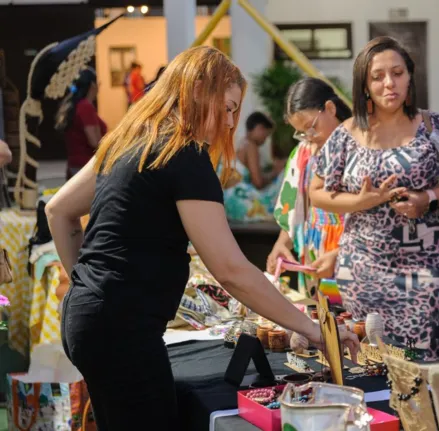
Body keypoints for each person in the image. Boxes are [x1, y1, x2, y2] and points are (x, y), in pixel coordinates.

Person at [45, 46, 359, 431]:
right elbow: (230, 270)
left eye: (235, 111)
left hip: (88, 319)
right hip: (122, 331)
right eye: (227, 108)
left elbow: (57, 211)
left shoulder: (128, 140)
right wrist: (312, 330)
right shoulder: (185, 155)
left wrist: (88, 284)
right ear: (196, 89)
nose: (230, 122)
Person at [310, 36, 439, 360]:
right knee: (370, 366)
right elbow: (316, 193)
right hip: (362, 273)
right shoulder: (347, 132)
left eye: (397, 73)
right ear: (364, 85)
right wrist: (359, 202)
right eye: (377, 76)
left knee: (427, 372)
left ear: (410, 76)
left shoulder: (431, 125)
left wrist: (428, 198)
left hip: (425, 274)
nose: (389, 83)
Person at [267, 78, 351, 297]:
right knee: (319, 322)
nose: (308, 137)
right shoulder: (303, 153)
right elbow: (293, 206)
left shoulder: (360, 148)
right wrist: (281, 243)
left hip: (352, 252)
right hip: (313, 254)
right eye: (300, 132)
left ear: (330, 109)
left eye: (310, 128)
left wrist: (342, 252)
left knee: (351, 324)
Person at [222, 112, 285, 222]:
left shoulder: (242, 143)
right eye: (266, 135)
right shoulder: (251, 145)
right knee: (282, 178)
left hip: (227, 199)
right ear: (260, 128)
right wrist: (275, 173)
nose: (265, 140)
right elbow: (258, 182)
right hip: (238, 200)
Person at [54, 68, 105, 179]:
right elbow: (94, 141)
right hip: (86, 166)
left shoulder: (76, 105)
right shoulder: (86, 107)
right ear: (92, 85)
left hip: (75, 165)